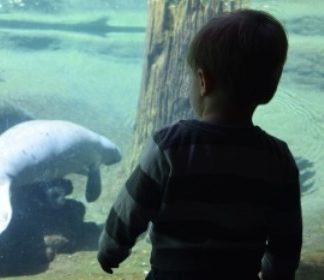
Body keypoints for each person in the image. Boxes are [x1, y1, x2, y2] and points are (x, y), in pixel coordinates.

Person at [97, 9, 302, 280]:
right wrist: (276, 273)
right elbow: (286, 238)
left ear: (204, 81)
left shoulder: (169, 146)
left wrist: (111, 250)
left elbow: (129, 210)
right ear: (270, 88)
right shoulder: (278, 158)